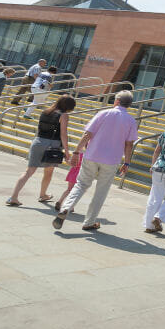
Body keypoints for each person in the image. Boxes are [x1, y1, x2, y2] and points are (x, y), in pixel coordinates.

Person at [53, 90, 138, 232]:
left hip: (92, 155)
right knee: (101, 191)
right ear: (129, 105)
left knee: (81, 185)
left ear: (116, 101)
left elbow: (88, 134)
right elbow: (129, 144)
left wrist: (76, 151)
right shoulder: (130, 120)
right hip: (111, 160)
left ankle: (66, 207)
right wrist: (127, 162)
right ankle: (89, 222)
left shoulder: (103, 113)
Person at [6, 95, 75, 206]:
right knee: (48, 171)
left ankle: (13, 197)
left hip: (38, 142)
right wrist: (67, 152)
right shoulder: (64, 115)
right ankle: (42, 195)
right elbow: (63, 134)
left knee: (28, 172)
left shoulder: (45, 111)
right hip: (52, 145)